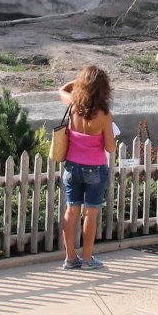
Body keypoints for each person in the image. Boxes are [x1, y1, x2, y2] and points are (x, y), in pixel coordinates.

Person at [57, 65, 115, 270]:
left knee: (71, 211)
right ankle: (88, 259)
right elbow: (110, 146)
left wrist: (77, 83)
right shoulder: (104, 115)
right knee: (90, 213)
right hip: (95, 168)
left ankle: (70, 258)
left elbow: (61, 90)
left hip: (72, 167)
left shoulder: (73, 105)